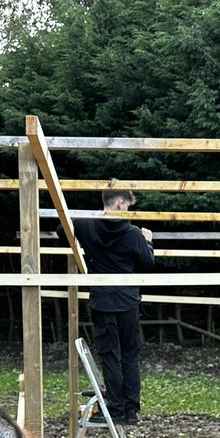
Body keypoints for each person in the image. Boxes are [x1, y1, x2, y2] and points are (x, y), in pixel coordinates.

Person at [73, 182, 155, 425]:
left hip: (103, 302)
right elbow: (148, 264)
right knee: (130, 356)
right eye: (128, 206)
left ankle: (116, 410)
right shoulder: (132, 234)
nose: (129, 212)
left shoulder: (86, 224)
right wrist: (148, 241)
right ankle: (130, 411)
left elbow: (61, 229)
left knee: (110, 356)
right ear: (120, 204)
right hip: (128, 302)